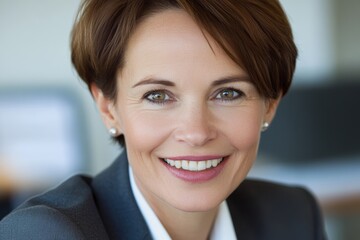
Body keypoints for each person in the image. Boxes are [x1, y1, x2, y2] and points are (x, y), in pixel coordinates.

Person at [0, 0, 327, 239]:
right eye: (157, 96)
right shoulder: (45, 233)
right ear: (108, 107)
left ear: (270, 104)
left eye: (228, 93)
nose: (196, 132)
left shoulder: (293, 215)